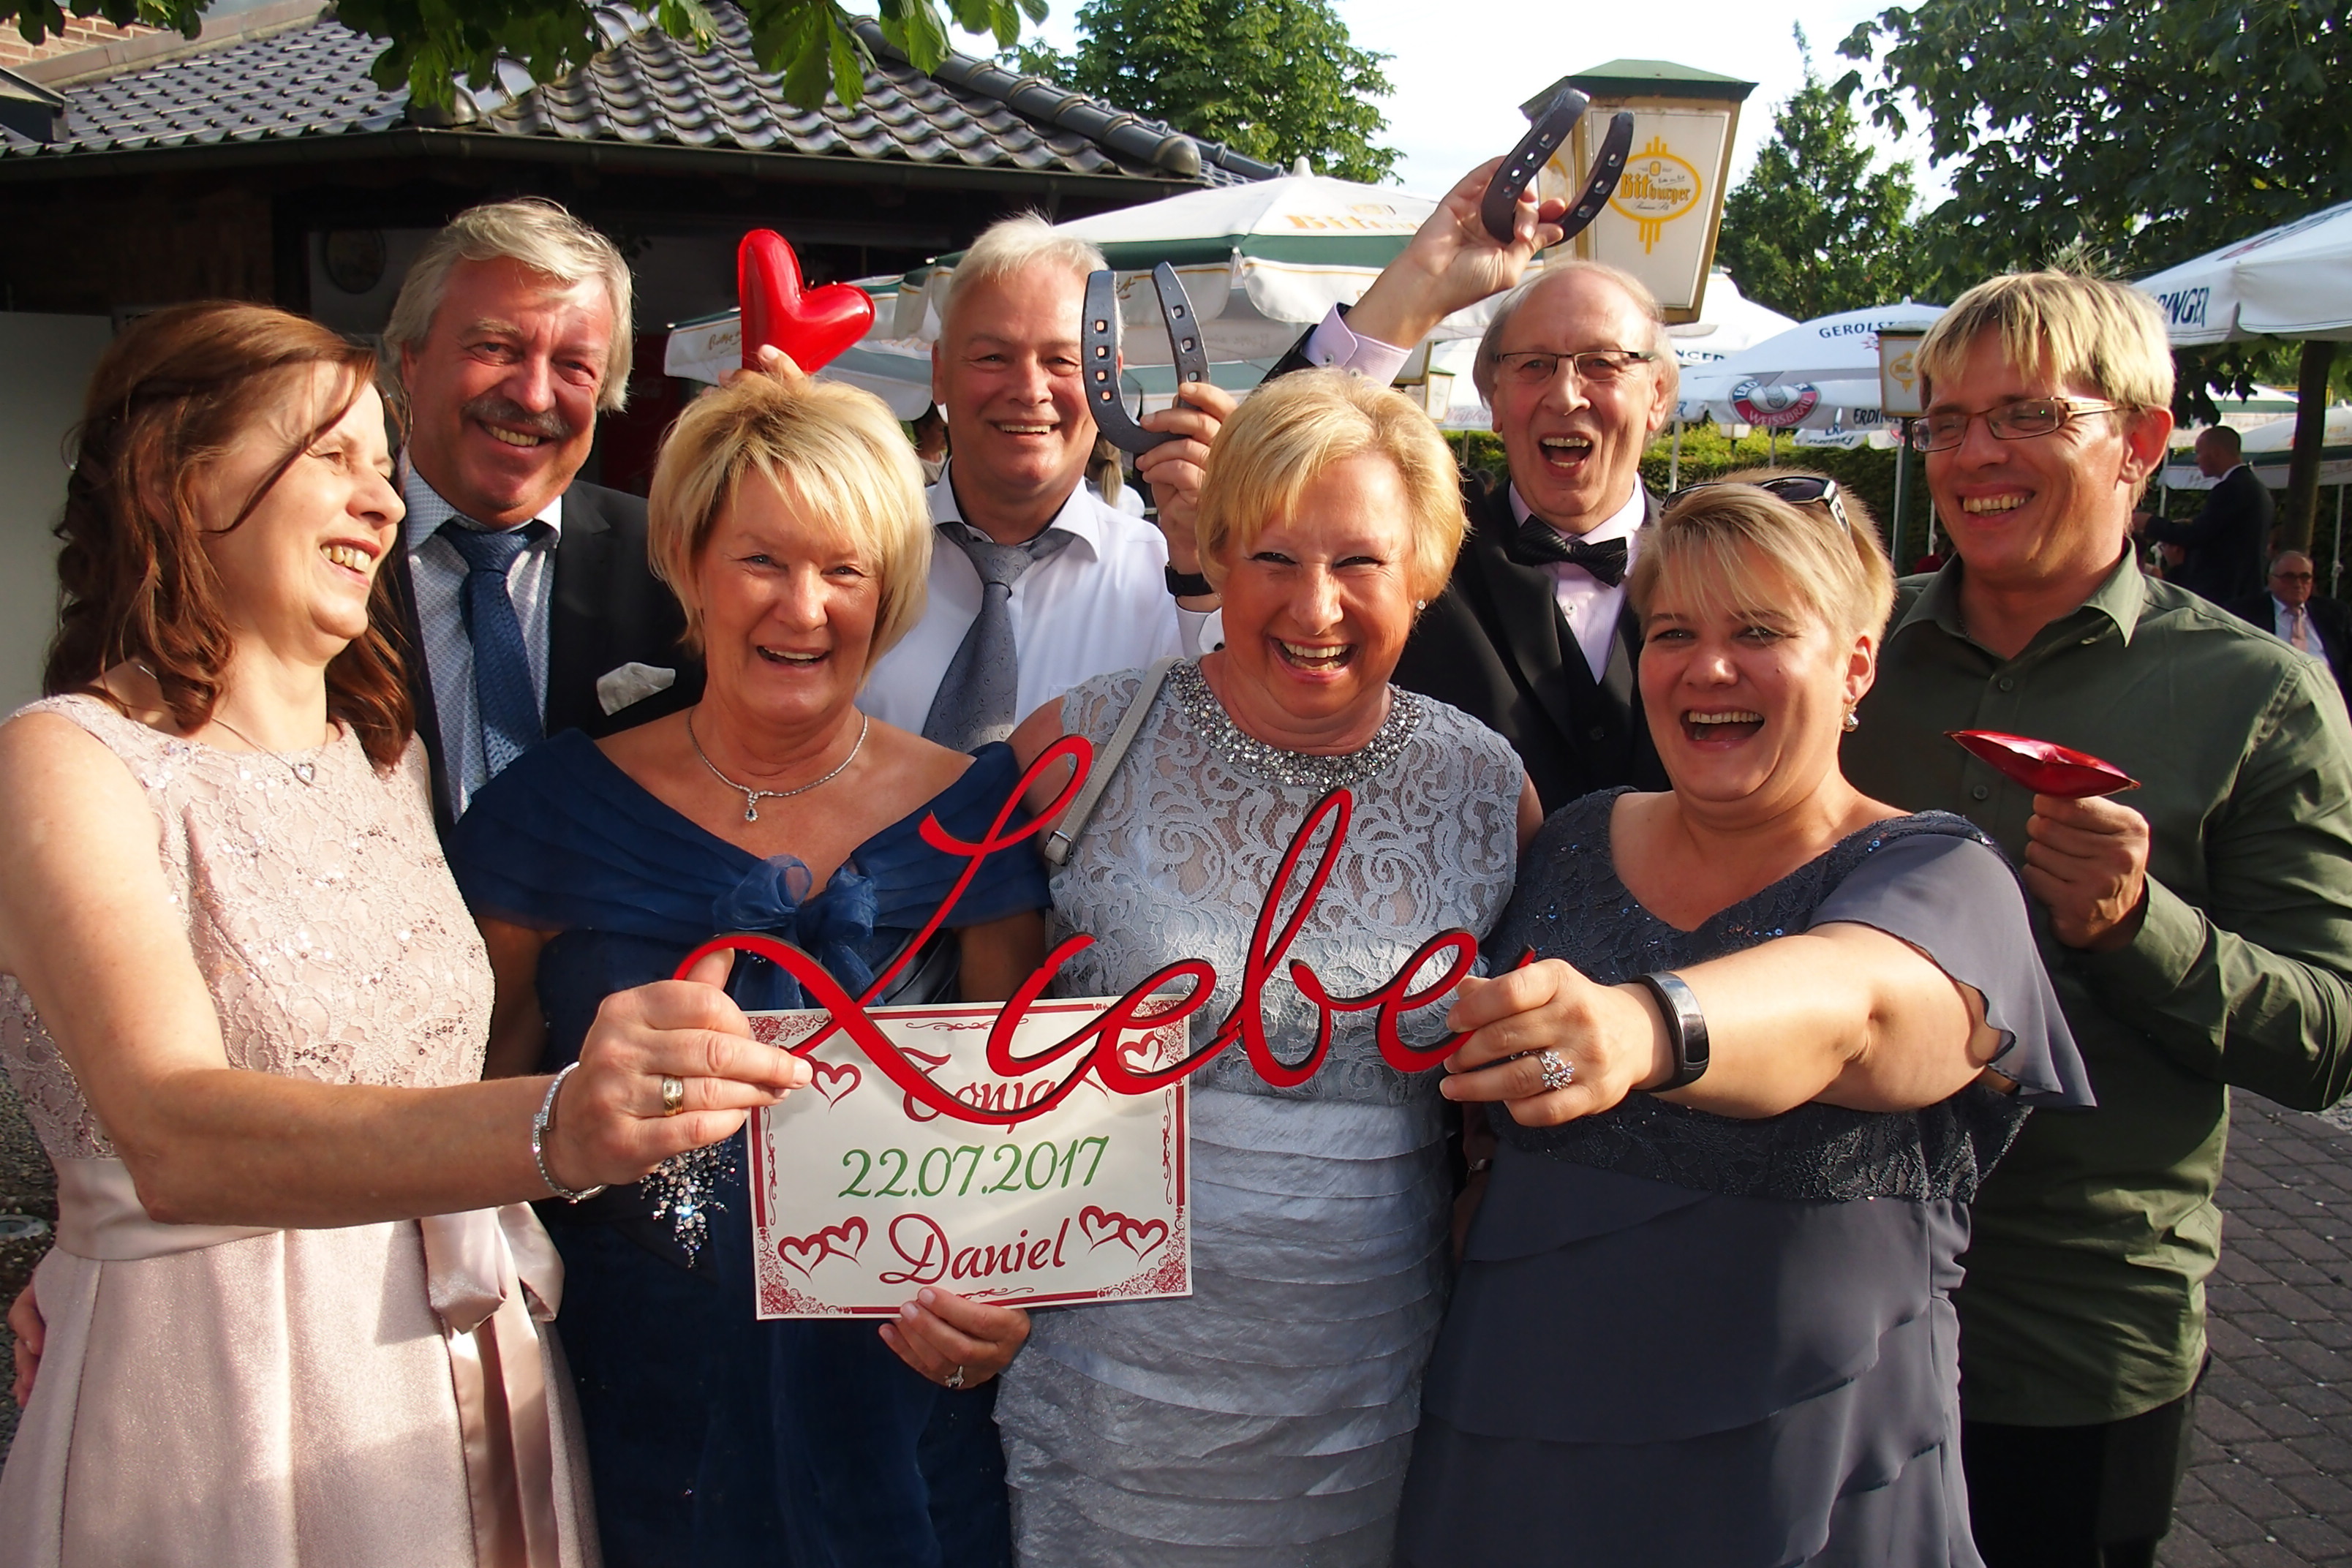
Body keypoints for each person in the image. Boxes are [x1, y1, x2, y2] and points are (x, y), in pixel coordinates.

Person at [0, 301, 808, 1565]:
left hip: (460, 1358)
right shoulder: (66, 760)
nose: (381, 503)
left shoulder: (383, 759)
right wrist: (553, 1125)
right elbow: (166, 1127)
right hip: (219, 1380)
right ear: (174, 478)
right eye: (332, 456)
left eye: (383, 466)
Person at [1399, 479, 2092, 1566]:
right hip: (1520, 1445)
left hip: (1803, 1478)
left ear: (1856, 666)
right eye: (1676, 631)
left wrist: (1644, 1026)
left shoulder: (1944, 873)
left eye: (1761, 632)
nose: (1709, 668)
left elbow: (1860, 1007)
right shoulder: (1569, 840)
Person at [447, 368, 1050, 1567]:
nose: (804, 607)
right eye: (762, 560)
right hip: (631, 1405)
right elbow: (467, 1114)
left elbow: (1018, 1135)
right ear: (687, 564)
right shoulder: (548, 812)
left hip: (903, 1403)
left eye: (845, 570)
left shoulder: (978, 817)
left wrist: (1004, 1304)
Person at [1842, 272, 2352, 1567]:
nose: (1973, 455)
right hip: (1828, 1288)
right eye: (1945, 422)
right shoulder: (1849, 653)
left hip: (2070, 1327)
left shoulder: (2256, 695)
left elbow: (2328, 1038)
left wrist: (2138, 927)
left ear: (2140, 441)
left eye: (2026, 414)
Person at [996, 371, 1541, 1564]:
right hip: (1105, 1372)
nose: (1315, 604)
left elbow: (1507, 1111)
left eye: (1361, 562)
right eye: (1275, 558)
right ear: (1217, 556)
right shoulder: (1080, 743)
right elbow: (958, 1041)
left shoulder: (1486, 789)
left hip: (1373, 1382)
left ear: (1424, 571)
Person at [1262, 159, 1679, 810]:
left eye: (1601, 364)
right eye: (1534, 365)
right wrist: (1421, 282)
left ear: (1657, 397)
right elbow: (1271, 470)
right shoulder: (1415, 542)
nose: (1566, 396)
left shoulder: (1717, 564)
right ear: (1493, 397)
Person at [382, 197, 703, 826]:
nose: (533, 396)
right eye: (496, 347)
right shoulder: (322, 553)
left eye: (573, 366)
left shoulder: (671, 560)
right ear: (412, 359)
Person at [859, 215, 1232, 751]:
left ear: (1110, 378)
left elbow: (1236, 749)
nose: (1030, 389)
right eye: (992, 357)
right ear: (940, 372)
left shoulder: (1168, 585)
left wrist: (1206, 566)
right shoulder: (856, 558)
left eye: (1061, 360)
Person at [2141, 424, 2272, 603]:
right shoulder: (2253, 487)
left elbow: (2197, 534)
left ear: (2216, 453)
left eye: (2199, 452)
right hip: (2244, 588)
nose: (2197, 460)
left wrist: (2150, 523)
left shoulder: (2232, 488)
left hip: (2226, 591)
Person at [2228, 550, 2352, 692]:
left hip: (2326, 693)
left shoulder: (2334, 613)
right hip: (2271, 693)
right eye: (2289, 577)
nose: (2298, 584)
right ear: (2271, 580)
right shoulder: (2245, 613)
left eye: (2305, 577)